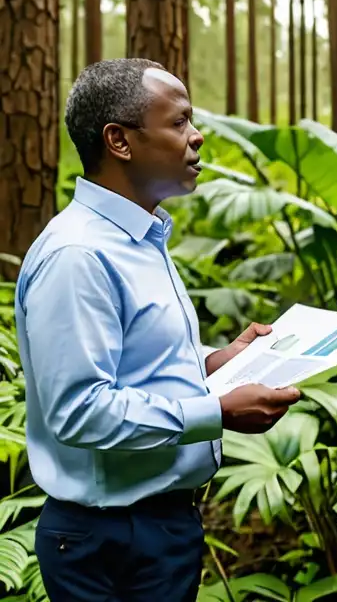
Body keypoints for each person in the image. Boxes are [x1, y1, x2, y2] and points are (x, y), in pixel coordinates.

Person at [15, 59, 303, 601]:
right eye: (179, 122)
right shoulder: (79, 254)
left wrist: (213, 361)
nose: (197, 137)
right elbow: (80, 409)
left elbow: (134, 358)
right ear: (119, 141)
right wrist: (216, 412)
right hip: (111, 540)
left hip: (156, 528)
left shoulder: (138, 235)